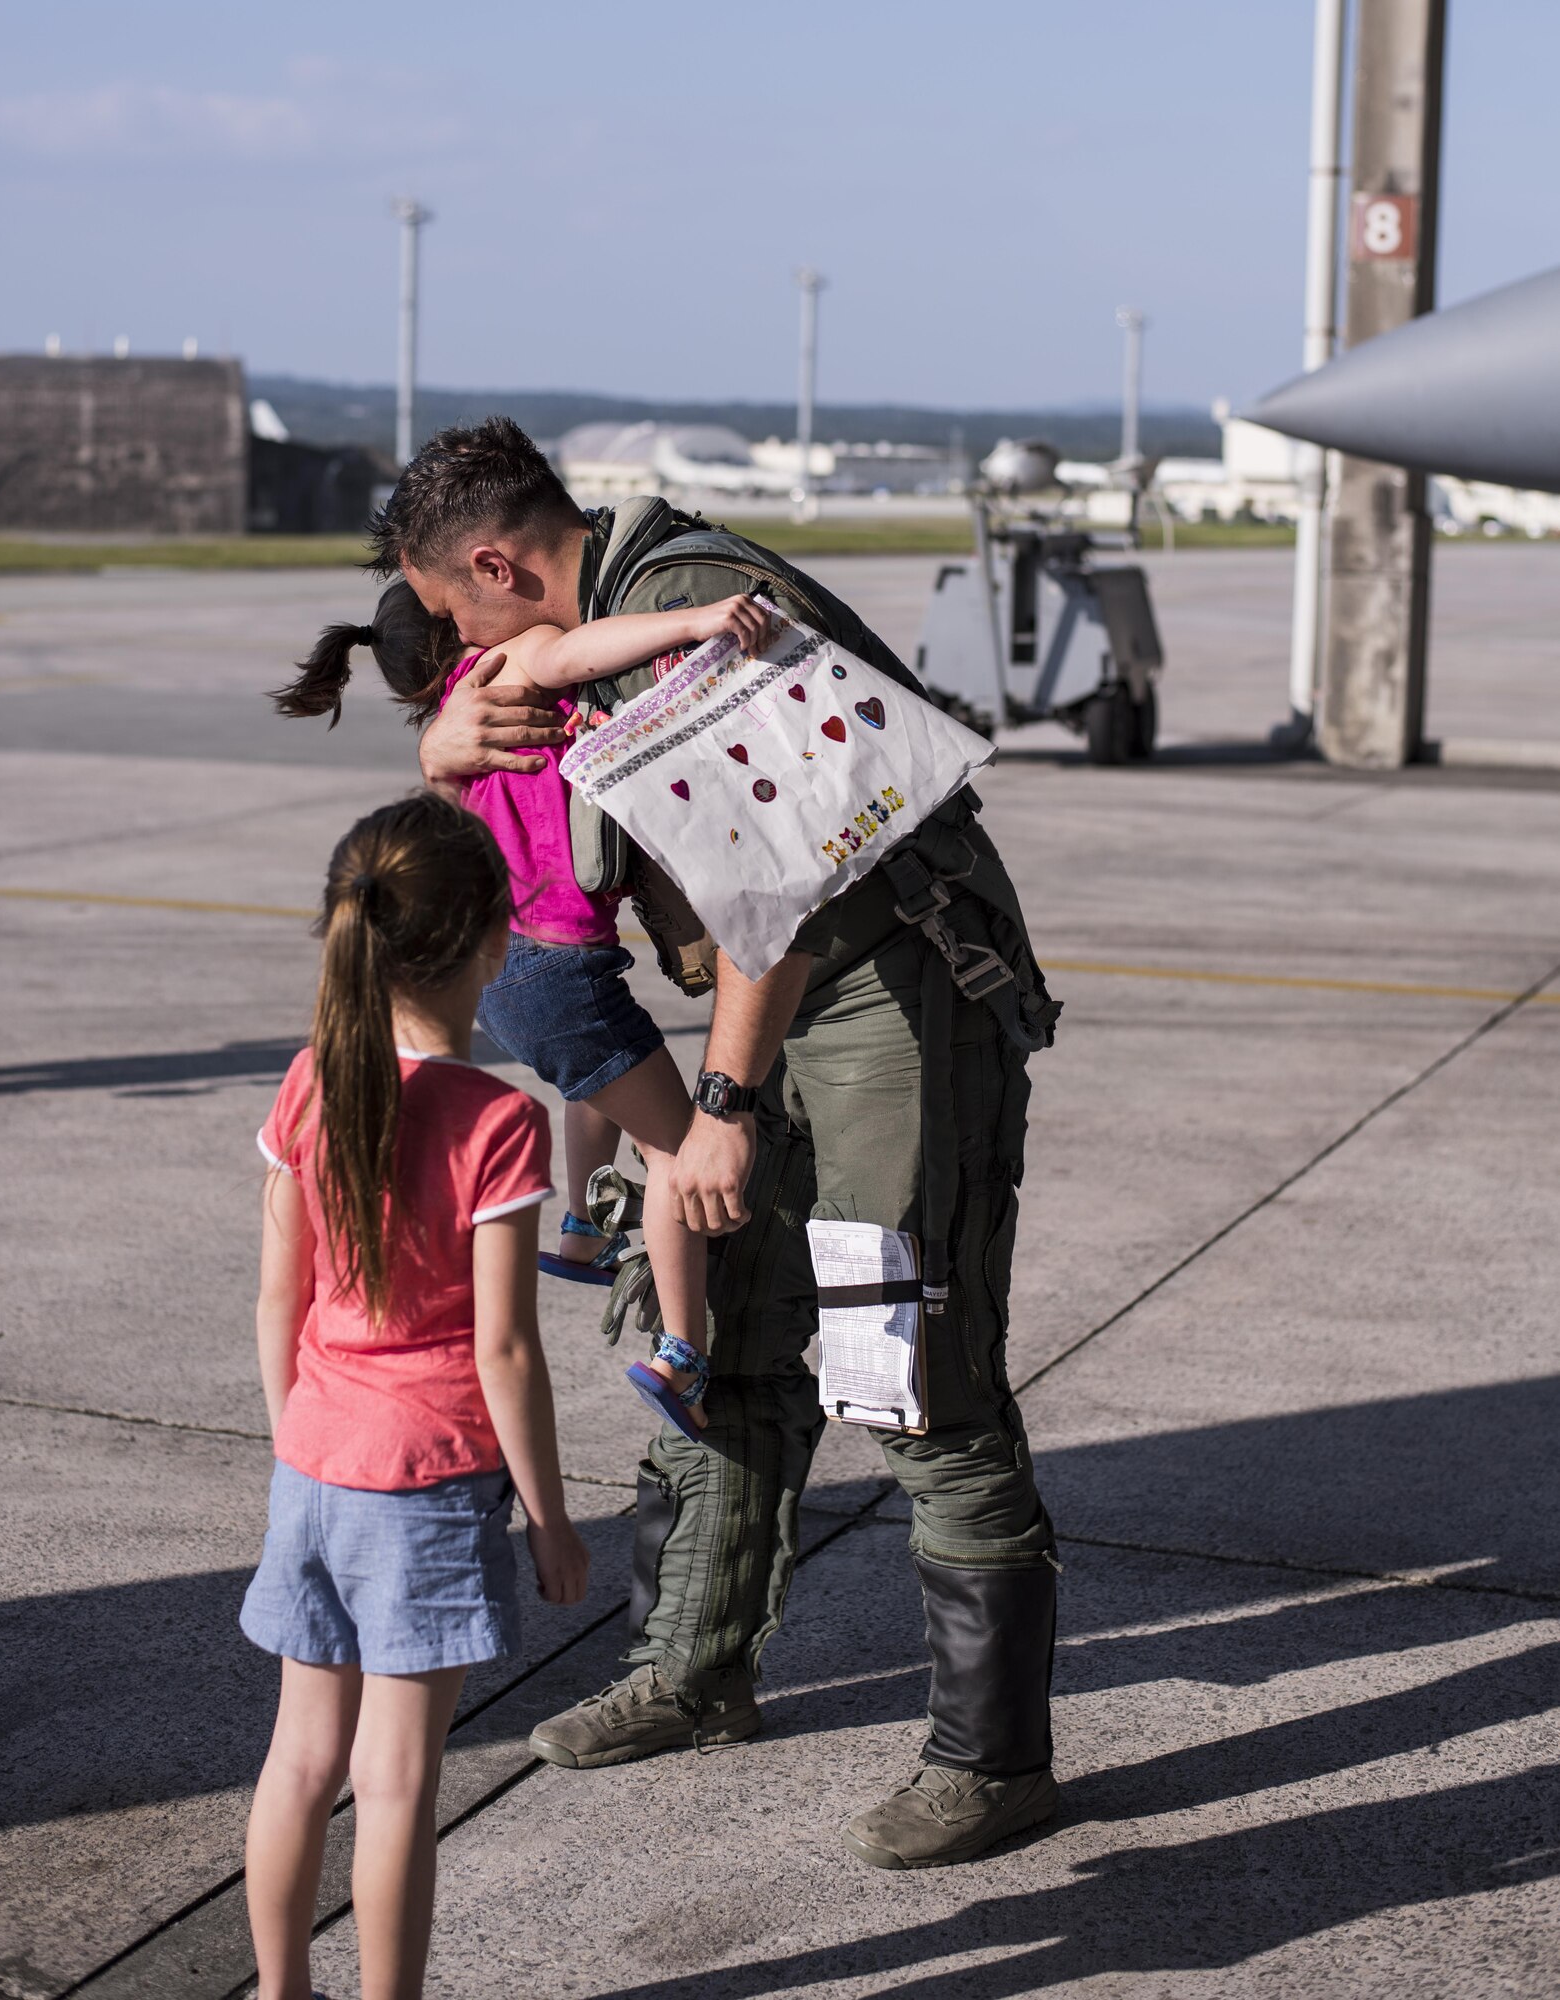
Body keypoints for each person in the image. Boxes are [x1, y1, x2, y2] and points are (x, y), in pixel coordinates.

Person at [377, 416, 1065, 1871]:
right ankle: (693, 1673)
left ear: (496, 561)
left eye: (454, 619)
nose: (462, 653)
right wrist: (443, 748)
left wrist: (727, 1113)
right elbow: (529, 840)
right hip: (771, 1000)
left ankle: (988, 1761)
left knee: (904, 1350)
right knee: (719, 1330)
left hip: (881, 999)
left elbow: (781, 889)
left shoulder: (694, 608)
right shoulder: (602, 621)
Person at [274, 584, 776, 1439]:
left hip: (506, 973)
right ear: (457, 619)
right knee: (675, 1150)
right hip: (556, 970)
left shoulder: (454, 725)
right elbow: (582, 651)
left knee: (601, 1076)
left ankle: (580, 1228)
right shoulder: (505, 662)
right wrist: (696, 621)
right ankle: (683, 1355)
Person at [238, 790, 589, 1999]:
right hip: (427, 1482)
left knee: (298, 1761)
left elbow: (278, 1299)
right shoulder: (496, 1118)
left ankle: (282, 1990)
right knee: (394, 1781)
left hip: (314, 1459)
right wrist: (548, 1515)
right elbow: (505, 1349)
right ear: (492, 943)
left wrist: (297, 1430)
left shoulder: (306, 1082)